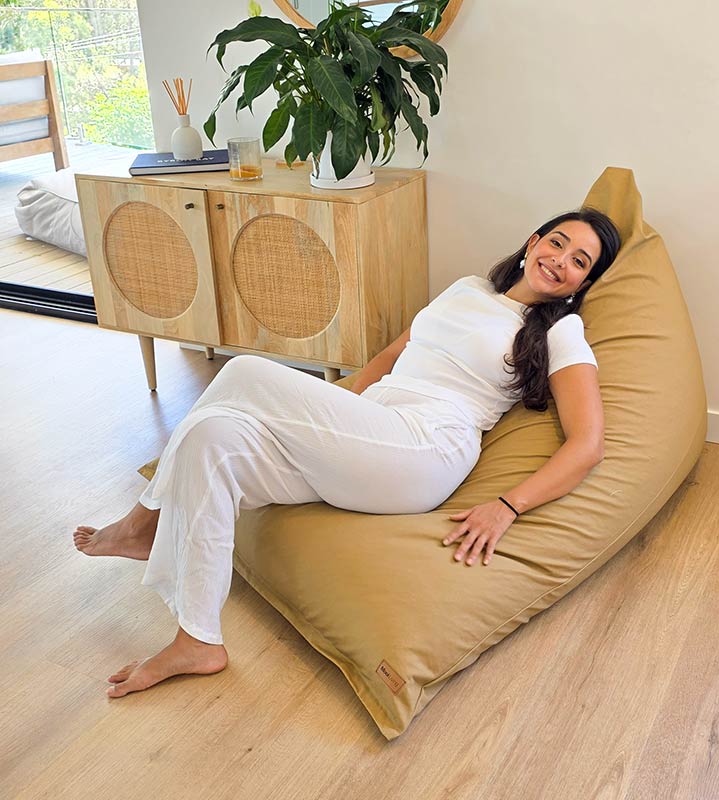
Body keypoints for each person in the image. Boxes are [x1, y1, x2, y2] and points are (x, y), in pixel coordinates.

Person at [72, 207, 621, 698]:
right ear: (532, 241)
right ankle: (198, 640)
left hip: (423, 448)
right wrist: (324, 406)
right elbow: (395, 353)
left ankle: (142, 524)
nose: (560, 261)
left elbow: (587, 444)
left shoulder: (560, 331)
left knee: (240, 372)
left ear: (581, 284)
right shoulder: (468, 289)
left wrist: (507, 506)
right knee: (210, 434)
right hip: (370, 429)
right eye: (557, 243)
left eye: (579, 261)